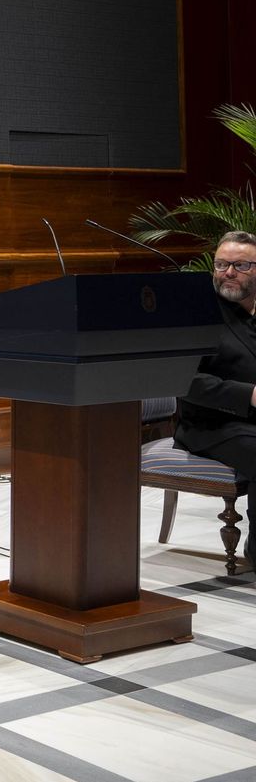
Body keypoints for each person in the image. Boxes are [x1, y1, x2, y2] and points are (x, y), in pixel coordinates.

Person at [176, 230, 256, 570]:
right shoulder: (197, 313)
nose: (228, 272)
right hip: (212, 423)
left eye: (239, 265)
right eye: (221, 264)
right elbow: (184, 380)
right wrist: (248, 395)